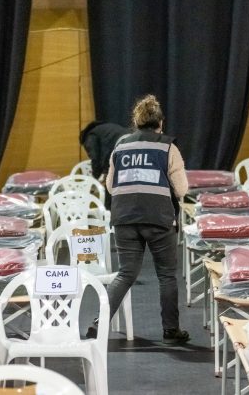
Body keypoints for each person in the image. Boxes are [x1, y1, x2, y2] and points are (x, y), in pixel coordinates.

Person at [87, 94, 189, 344]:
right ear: (160, 123)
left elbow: (110, 186)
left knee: (125, 274)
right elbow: (181, 189)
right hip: (158, 218)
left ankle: (99, 323)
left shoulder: (121, 146)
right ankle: (171, 331)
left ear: (136, 122)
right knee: (166, 275)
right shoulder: (168, 147)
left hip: (124, 218)